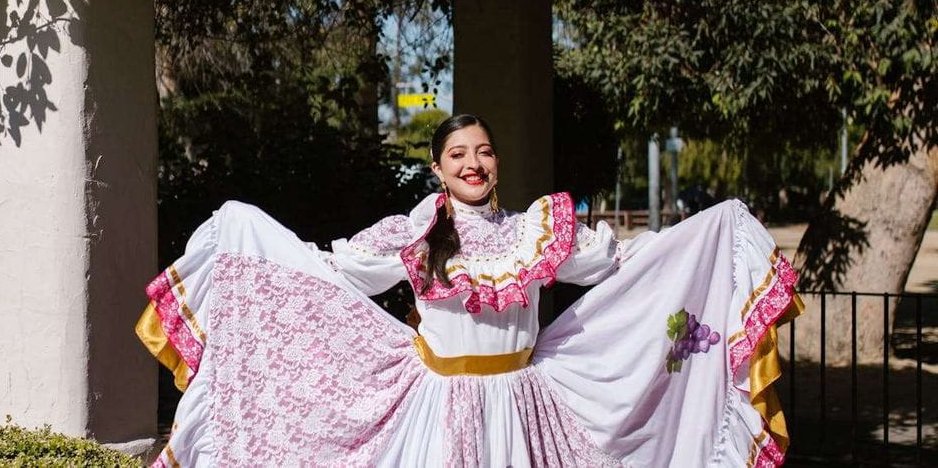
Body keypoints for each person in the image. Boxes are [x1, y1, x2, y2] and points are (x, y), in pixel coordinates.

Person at [137, 114, 803, 467]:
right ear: (437, 166)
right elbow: (338, 273)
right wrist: (250, 239)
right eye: (458, 154)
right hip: (437, 404)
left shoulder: (537, 230)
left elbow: (615, 261)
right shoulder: (416, 229)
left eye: (482, 151)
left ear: (496, 160)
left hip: (522, 401)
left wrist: (704, 239)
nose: (473, 163)